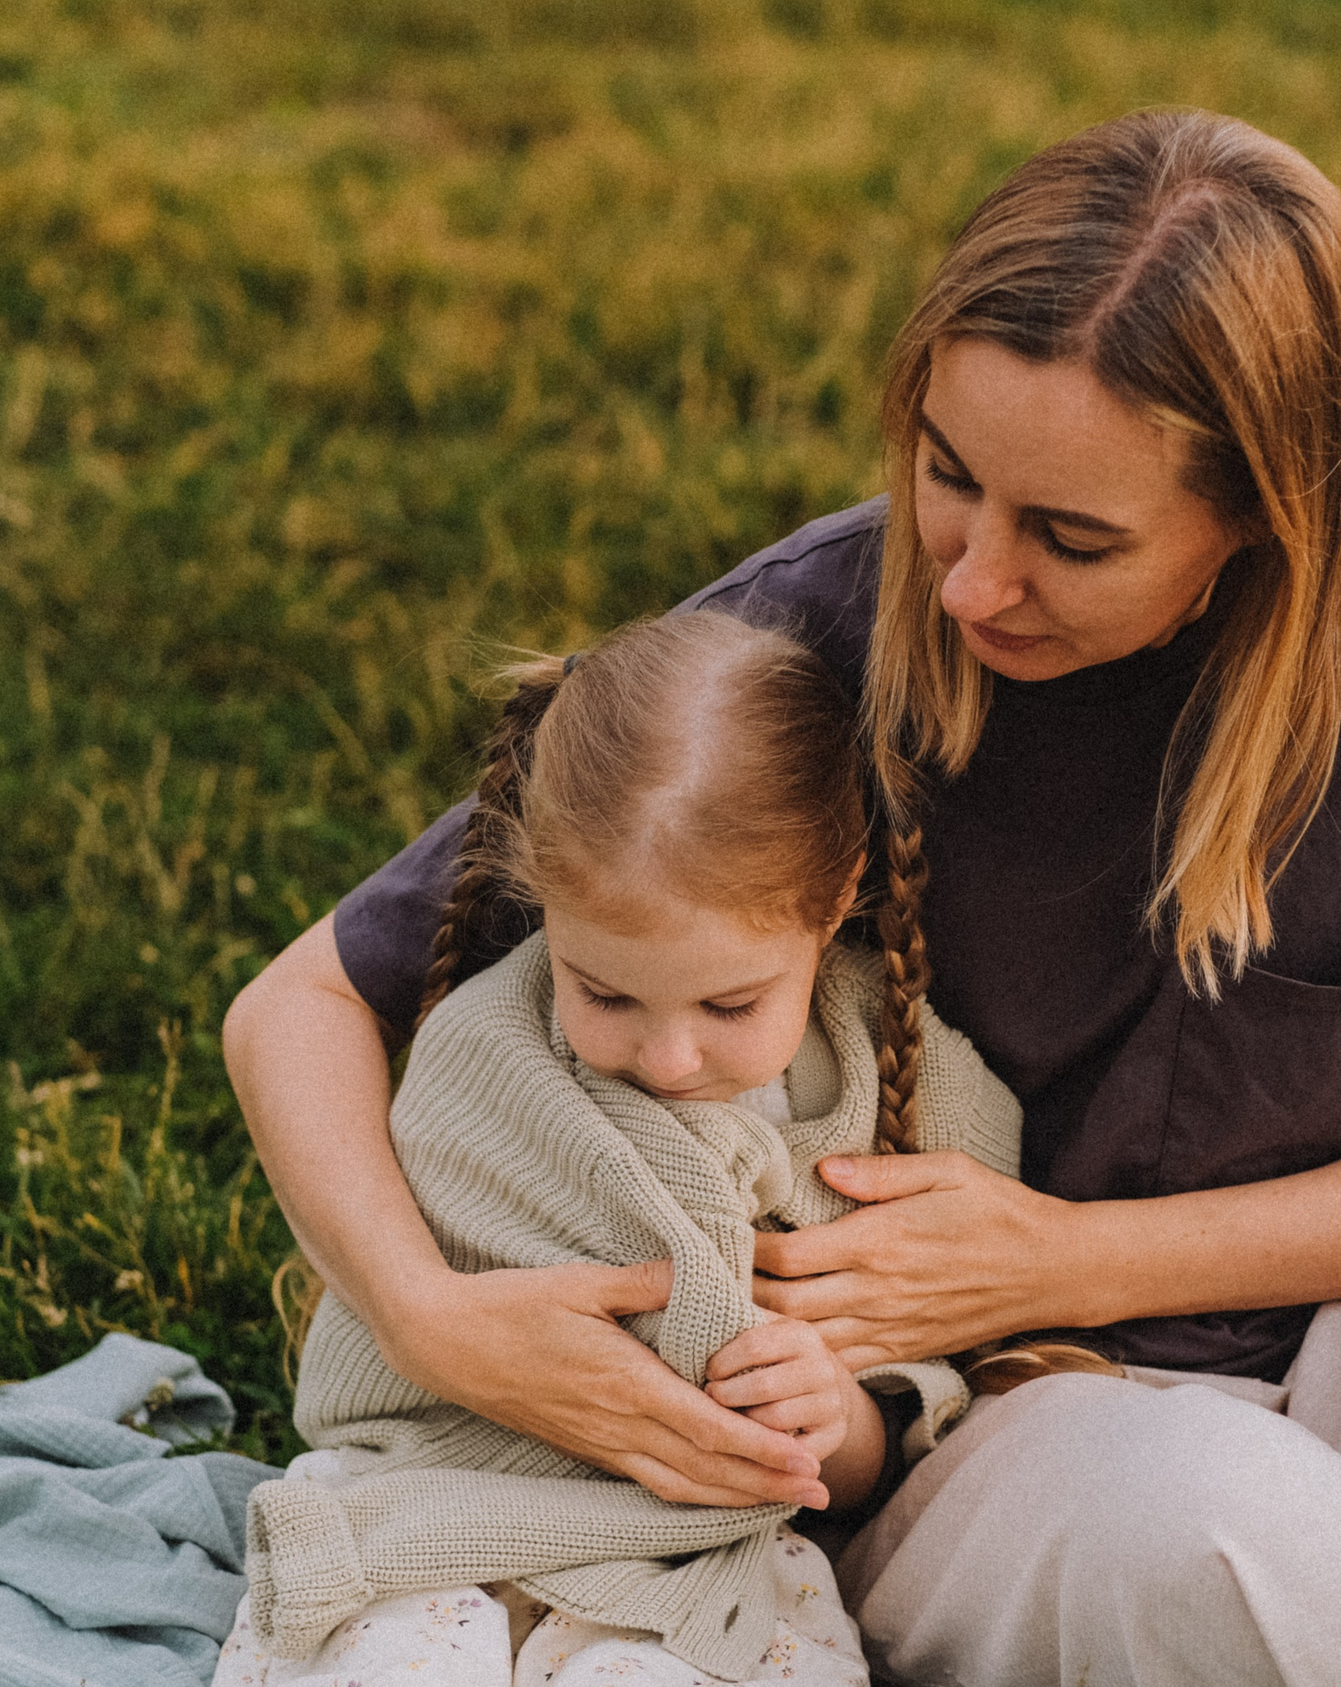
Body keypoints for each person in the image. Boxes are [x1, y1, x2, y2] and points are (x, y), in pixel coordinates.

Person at [226, 109, 1341, 1685]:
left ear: (1269, 520)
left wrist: (1071, 1248)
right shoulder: (812, 647)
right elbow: (299, 1003)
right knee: (1200, 1534)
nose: (978, 576)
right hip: (996, 1415)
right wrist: (434, 1315)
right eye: (945, 476)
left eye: (1072, 538)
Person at [218, 610, 1068, 1687]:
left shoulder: (902, 1090)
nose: (668, 1058)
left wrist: (839, 1418)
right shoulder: (489, 1050)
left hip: (711, 1543)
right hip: (442, 1496)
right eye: (605, 992)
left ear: (838, 891)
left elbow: (899, 1433)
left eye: (730, 1003)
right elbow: (401, 1342)